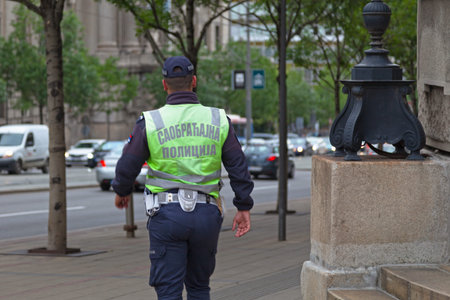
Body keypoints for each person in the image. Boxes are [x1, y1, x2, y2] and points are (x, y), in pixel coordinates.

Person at [112, 55, 254, 300]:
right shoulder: (218, 119)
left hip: (166, 215)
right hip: (207, 215)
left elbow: (129, 163)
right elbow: (238, 165)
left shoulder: (151, 121)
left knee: (169, 291)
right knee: (199, 288)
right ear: (194, 81)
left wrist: (122, 190)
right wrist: (243, 205)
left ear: (164, 85)